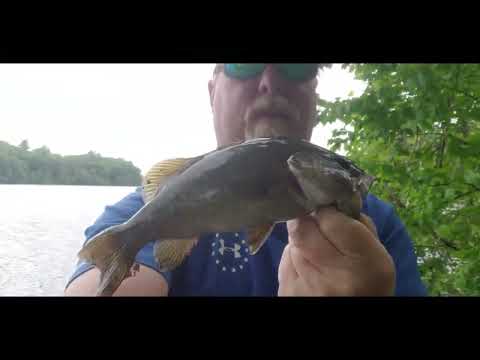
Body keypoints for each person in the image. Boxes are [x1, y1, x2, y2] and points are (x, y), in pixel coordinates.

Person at [64, 64, 428, 296]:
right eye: (244, 65)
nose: (270, 82)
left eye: (296, 67)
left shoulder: (379, 227)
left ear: (315, 91)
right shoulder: (133, 216)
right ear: (212, 93)